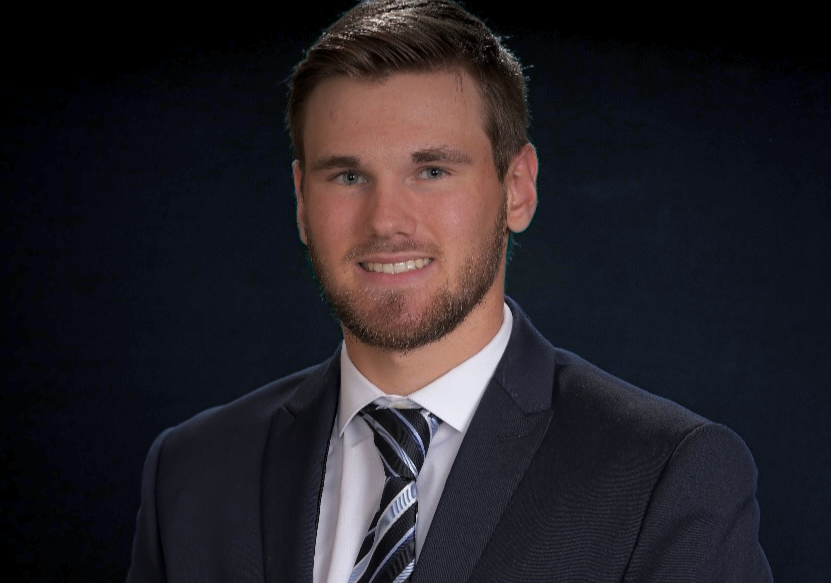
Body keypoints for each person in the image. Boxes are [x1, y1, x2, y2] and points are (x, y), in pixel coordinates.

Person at [127, 1, 772, 581]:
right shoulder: (191, 474)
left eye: (432, 170)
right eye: (347, 175)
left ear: (517, 187)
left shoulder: (666, 478)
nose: (386, 221)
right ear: (300, 201)